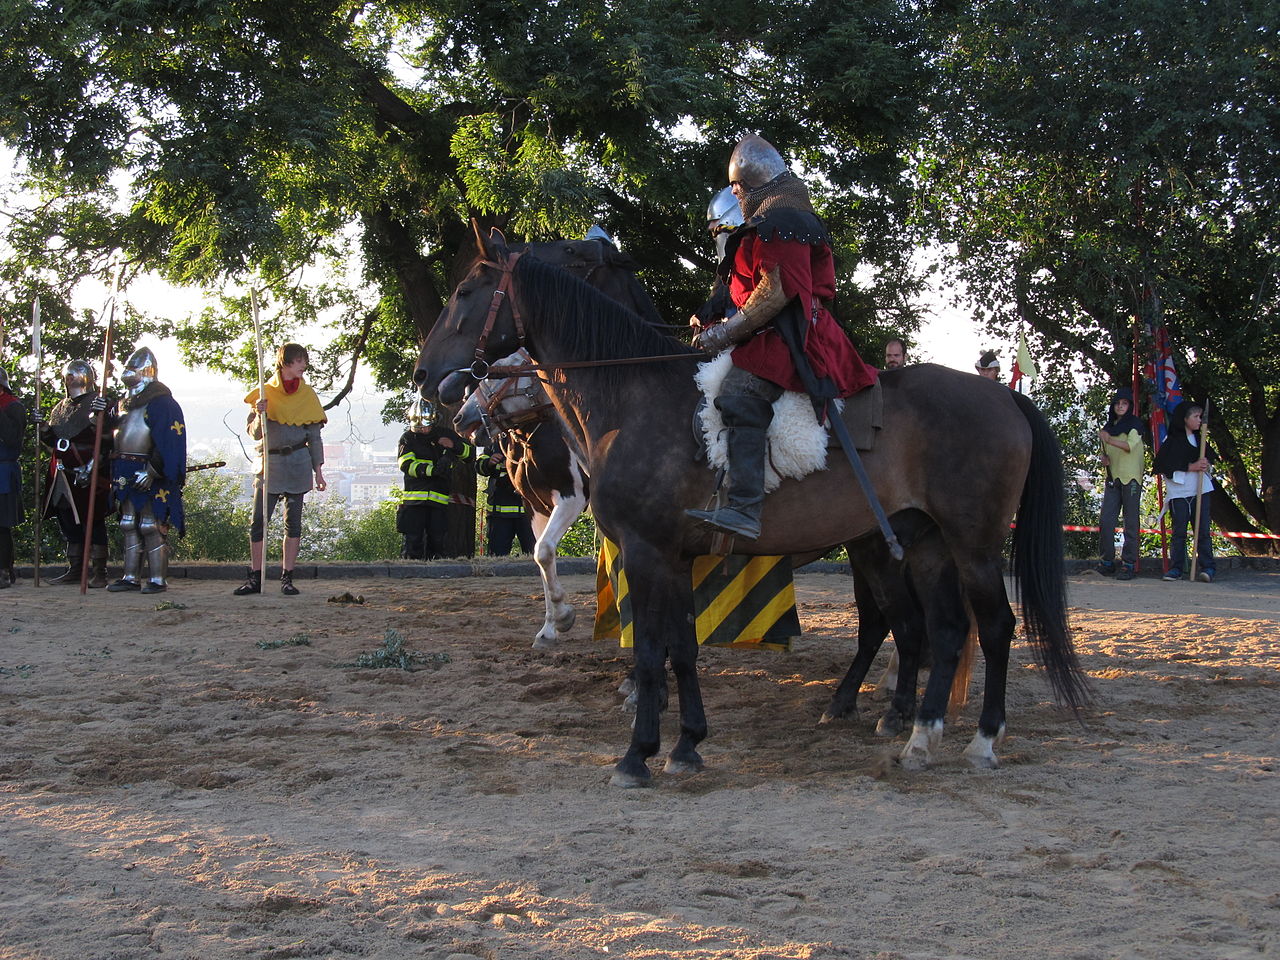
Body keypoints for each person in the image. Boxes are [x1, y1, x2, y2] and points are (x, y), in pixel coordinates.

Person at [686, 134, 878, 539]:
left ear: (754, 181)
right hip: (771, 333)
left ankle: (745, 509)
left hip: (793, 336)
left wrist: (723, 334)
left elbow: (776, 293)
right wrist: (711, 325)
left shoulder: (784, 221)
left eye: (737, 185)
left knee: (740, 395)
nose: (734, 192)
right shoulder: (770, 220)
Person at [234, 343, 327, 596]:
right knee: (258, 523)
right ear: (285, 363)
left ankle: (287, 577)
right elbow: (254, 434)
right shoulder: (264, 393)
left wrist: (318, 470)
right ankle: (255, 576)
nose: (303, 365)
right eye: (299, 361)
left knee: (293, 525)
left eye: (304, 360)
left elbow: (314, 438)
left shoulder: (308, 395)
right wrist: (258, 413)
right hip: (269, 465)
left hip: (297, 463)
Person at [107, 347, 186, 594]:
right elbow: (109, 432)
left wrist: (152, 470)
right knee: (128, 523)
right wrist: (96, 414)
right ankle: (130, 576)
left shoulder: (163, 404)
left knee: (151, 525)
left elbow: (168, 442)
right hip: (124, 469)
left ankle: (157, 579)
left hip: (149, 471)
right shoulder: (124, 403)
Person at [39, 360, 116, 587]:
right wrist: (43, 428)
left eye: (72, 375)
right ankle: (75, 569)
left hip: (88, 470)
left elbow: (106, 440)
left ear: (83, 377)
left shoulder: (99, 403)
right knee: (67, 519)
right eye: (67, 376)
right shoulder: (61, 408)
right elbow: (53, 442)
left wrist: (92, 466)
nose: (69, 379)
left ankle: (99, 573)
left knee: (93, 520)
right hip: (62, 471)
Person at [396, 398, 472, 560]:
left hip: (439, 500)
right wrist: (433, 471)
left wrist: (454, 446)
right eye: (419, 427)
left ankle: (437, 573)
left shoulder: (446, 435)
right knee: (413, 541)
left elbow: (469, 455)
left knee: (438, 541)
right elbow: (406, 464)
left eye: (426, 426)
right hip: (414, 501)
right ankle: (411, 572)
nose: (423, 430)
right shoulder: (407, 439)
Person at [1153, 400, 1217, 583]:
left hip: (1200, 491)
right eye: (1196, 416)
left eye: (1200, 416)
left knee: (1203, 530)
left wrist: (1205, 465)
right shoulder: (1171, 442)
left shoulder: (1200, 440)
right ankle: (1176, 568)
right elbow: (1165, 466)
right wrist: (1190, 466)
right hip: (1180, 493)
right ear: (1185, 419)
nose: (1199, 421)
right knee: (1179, 531)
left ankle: (1208, 567)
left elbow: (1209, 463)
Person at [1096, 388, 1145, 581]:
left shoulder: (1135, 424)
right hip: (1113, 477)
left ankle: (1129, 564)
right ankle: (1106, 561)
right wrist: (1104, 458)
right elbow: (1104, 452)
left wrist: (1110, 440)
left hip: (1131, 477)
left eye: (1124, 403)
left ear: (1130, 406)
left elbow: (1129, 446)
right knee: (1106, 521)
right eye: (1117, 403)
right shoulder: (1109, 426)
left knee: (1130, 522)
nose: (1120, 406)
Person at [477, 441, 535, 556]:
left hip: (529, 513)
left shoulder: (530, 439)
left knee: (535, 555)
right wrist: (488, 463)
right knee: (497, 557)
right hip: (499, 512)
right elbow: (479, 466)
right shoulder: (494, 442)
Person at [0, 367, 27, 588]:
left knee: (1, 525)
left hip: (3, 471)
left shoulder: (14, 407)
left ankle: (3, 571)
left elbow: (12, 440)